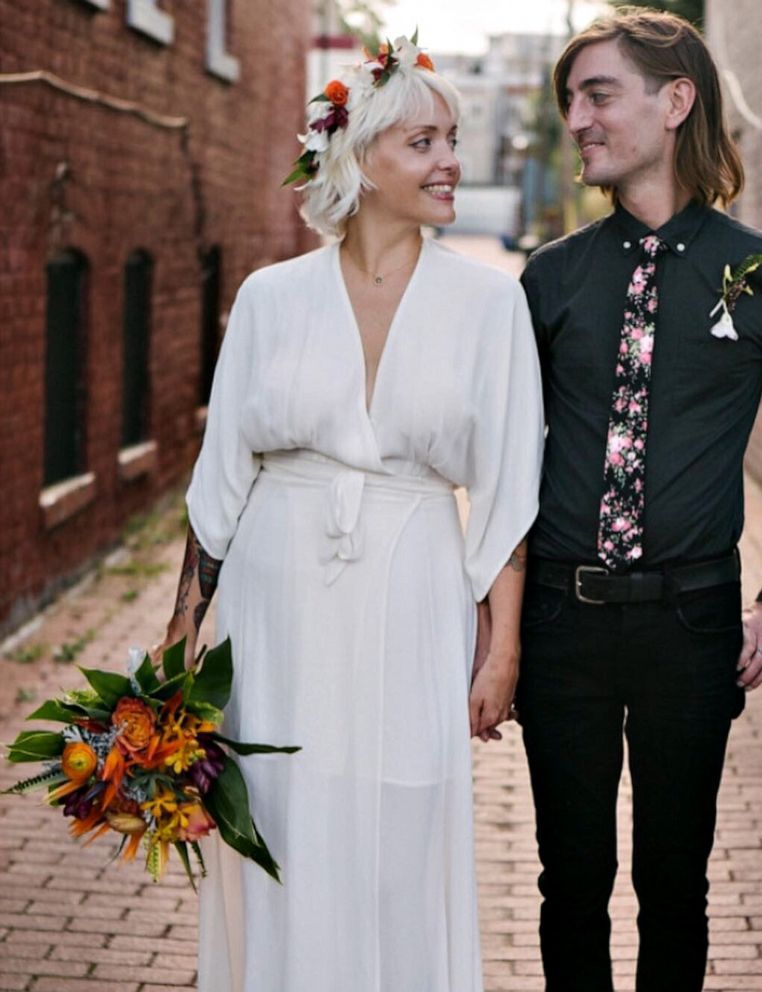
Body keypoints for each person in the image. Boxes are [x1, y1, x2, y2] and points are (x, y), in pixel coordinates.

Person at [155, 36, 544, 992]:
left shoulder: (489, 307)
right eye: (423, 141)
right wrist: (179, 638)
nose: (450, 158)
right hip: (277, 594)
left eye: (452, 137)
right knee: (279, 813)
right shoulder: (269, 298)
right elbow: (219, 483)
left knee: (401, 819)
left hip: (415, 586)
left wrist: (501, 650)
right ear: (361, 160)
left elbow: (505, 496)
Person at [516, 9, 762, 991]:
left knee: (675, 883)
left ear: (674, 101)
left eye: (597, 94)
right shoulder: (549, 278)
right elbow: (495, 458)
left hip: (692, 623)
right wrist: (499, 634)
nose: (576, 118)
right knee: (568, 880)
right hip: (561, 620)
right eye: (568, 99)